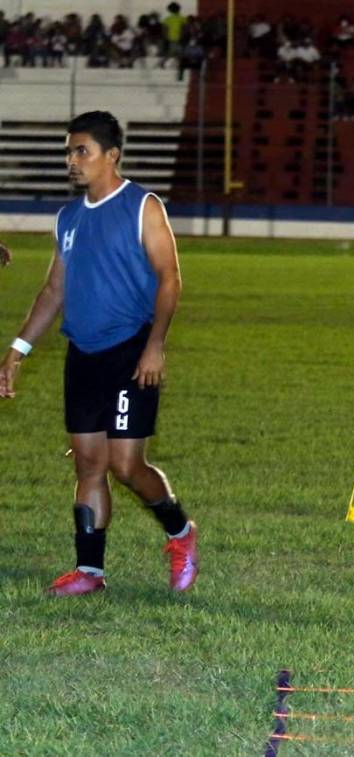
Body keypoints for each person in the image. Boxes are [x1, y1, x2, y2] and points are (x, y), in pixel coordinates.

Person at [0, 111, 198, 596]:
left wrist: (155, 347)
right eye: (69, 151)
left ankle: (180, 532)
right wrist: (17, 351)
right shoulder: (68, 218)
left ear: (111, 155)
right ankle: (90, 572)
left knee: (126, 466)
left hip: (131, 351)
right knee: (89, 464)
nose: (73, 160)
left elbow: (170, 278)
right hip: (82, 355)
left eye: (81, 151)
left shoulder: (142, 206)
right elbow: (53, 290)